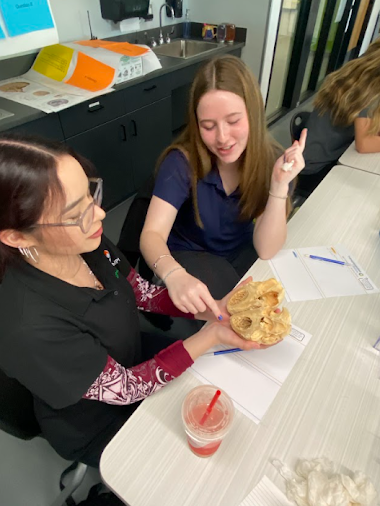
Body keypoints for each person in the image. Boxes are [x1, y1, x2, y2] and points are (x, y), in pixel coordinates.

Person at [0, 132, 274, 469]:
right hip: (97, 421)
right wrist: (210, 336)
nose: (99, 214)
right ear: (17, 235)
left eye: (90, 194)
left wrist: (211, 308)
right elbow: (125, 388)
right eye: (76, 212)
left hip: (131, 354)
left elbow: (140, 293)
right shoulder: (29, 326)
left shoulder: (88, 245)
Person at [140, 54, 306, 318]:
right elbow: (151, 235)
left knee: (280, 300)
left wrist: (278, 186)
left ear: (253, 113)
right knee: (234, 317)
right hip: (190, 256)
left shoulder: (270, 160)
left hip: (238, 253)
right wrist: (173, 274)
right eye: (208, 126)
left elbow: (266, 248)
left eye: (233, 121)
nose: (222, 138)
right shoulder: (181, 163)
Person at [296, 37, 380, 198]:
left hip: (309, 157)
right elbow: (364, 144)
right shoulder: (370, 89)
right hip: (314, 169)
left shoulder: (355, 72)